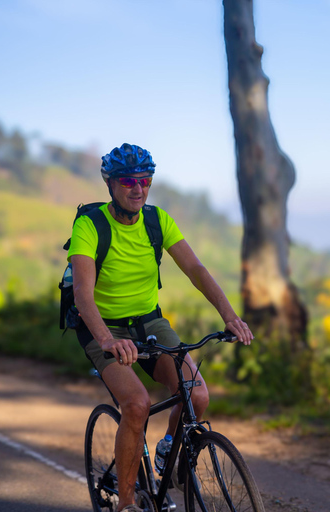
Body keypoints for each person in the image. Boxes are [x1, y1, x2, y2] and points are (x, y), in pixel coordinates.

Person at [69, 143, 253, 512]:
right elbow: (83, 295)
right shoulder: (90, 225)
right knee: (136, 405)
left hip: (149, 322)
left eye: (145, 180)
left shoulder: (158, 220)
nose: (138, 188)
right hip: (103, 327)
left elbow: (196, 270)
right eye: (128, 181)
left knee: (196, 395)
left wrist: (229, 315)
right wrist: (107, 339)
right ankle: (125, 504)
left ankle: (168, 446)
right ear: (111, 184)